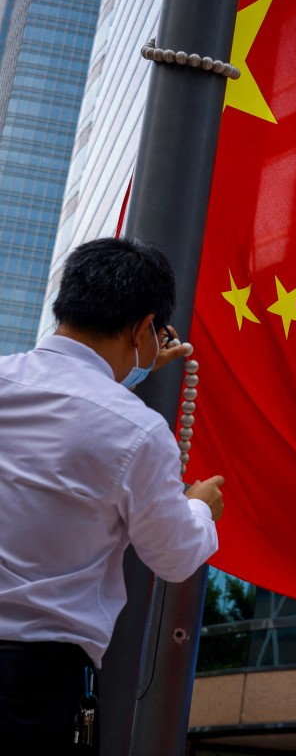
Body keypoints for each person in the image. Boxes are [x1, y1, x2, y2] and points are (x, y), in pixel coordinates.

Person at [0, 237, 224, 753]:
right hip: (34, 684)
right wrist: (200, 509)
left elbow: (64, 415)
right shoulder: (138, 432)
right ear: (143, 327)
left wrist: (136, 370)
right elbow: (171, 555)